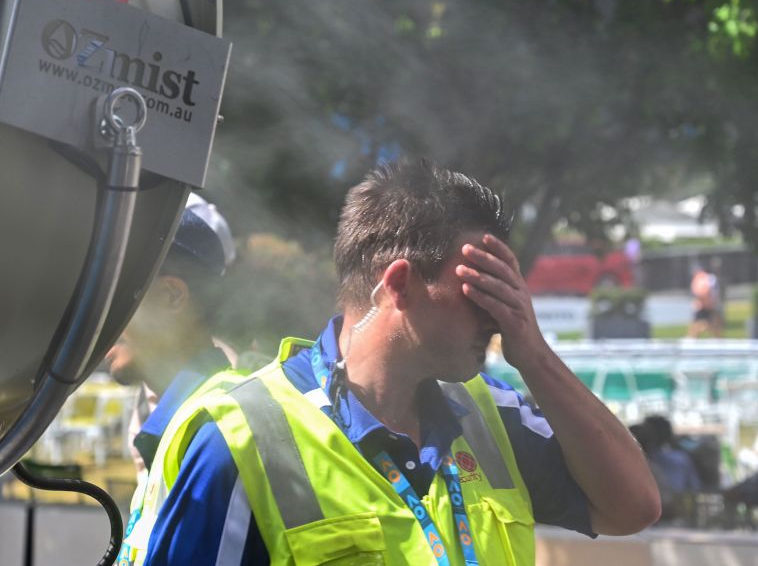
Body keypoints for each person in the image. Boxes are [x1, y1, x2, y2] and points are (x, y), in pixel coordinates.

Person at [141, 160, 660, 565]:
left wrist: (537, 358)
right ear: (400, 284)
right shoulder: (243, 438)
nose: (501, 319)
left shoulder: (492, 417)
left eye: (510, 295)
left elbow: (633, 507)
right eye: (481, 292)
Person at [106, 193, 244, 566]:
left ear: (171, 296)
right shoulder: (178, 423)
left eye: (114, 295)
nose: (99, 318)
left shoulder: (217, 435)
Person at [688, 262, 723, 338]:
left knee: (699, 327)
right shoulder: (709, 278)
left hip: (702, 306)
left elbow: (699, 293)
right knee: (712, 326)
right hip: (708, 305)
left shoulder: (700, 278)